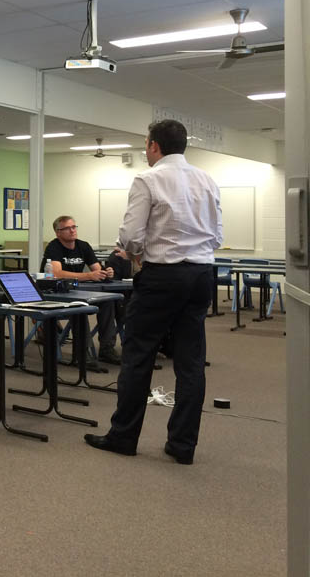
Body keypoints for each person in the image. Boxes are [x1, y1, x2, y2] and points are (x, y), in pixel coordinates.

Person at [85, 120, 222, 465]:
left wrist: (135, 252)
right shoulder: (207, 180)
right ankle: (182, 445)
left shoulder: (148, 179)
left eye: (146, 144)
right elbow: (217, 235)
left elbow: (130, 237)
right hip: (201, 275)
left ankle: (123, 437)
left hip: (162, 275)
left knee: (138, 356)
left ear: (154, 146)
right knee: (191, 362)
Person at [43, 215, 120, 365]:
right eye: (67, 228)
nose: (72, 231)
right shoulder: (53, 247)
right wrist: (88, 276)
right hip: (57, 293)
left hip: (78, 290)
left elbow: (97, 269)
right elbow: (56, 273)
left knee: (108, 301)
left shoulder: (83, 246)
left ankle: (107, 349)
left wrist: (106, 273)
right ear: (58, 232)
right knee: (80, 306)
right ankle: (82, 354)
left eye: (73, 227)